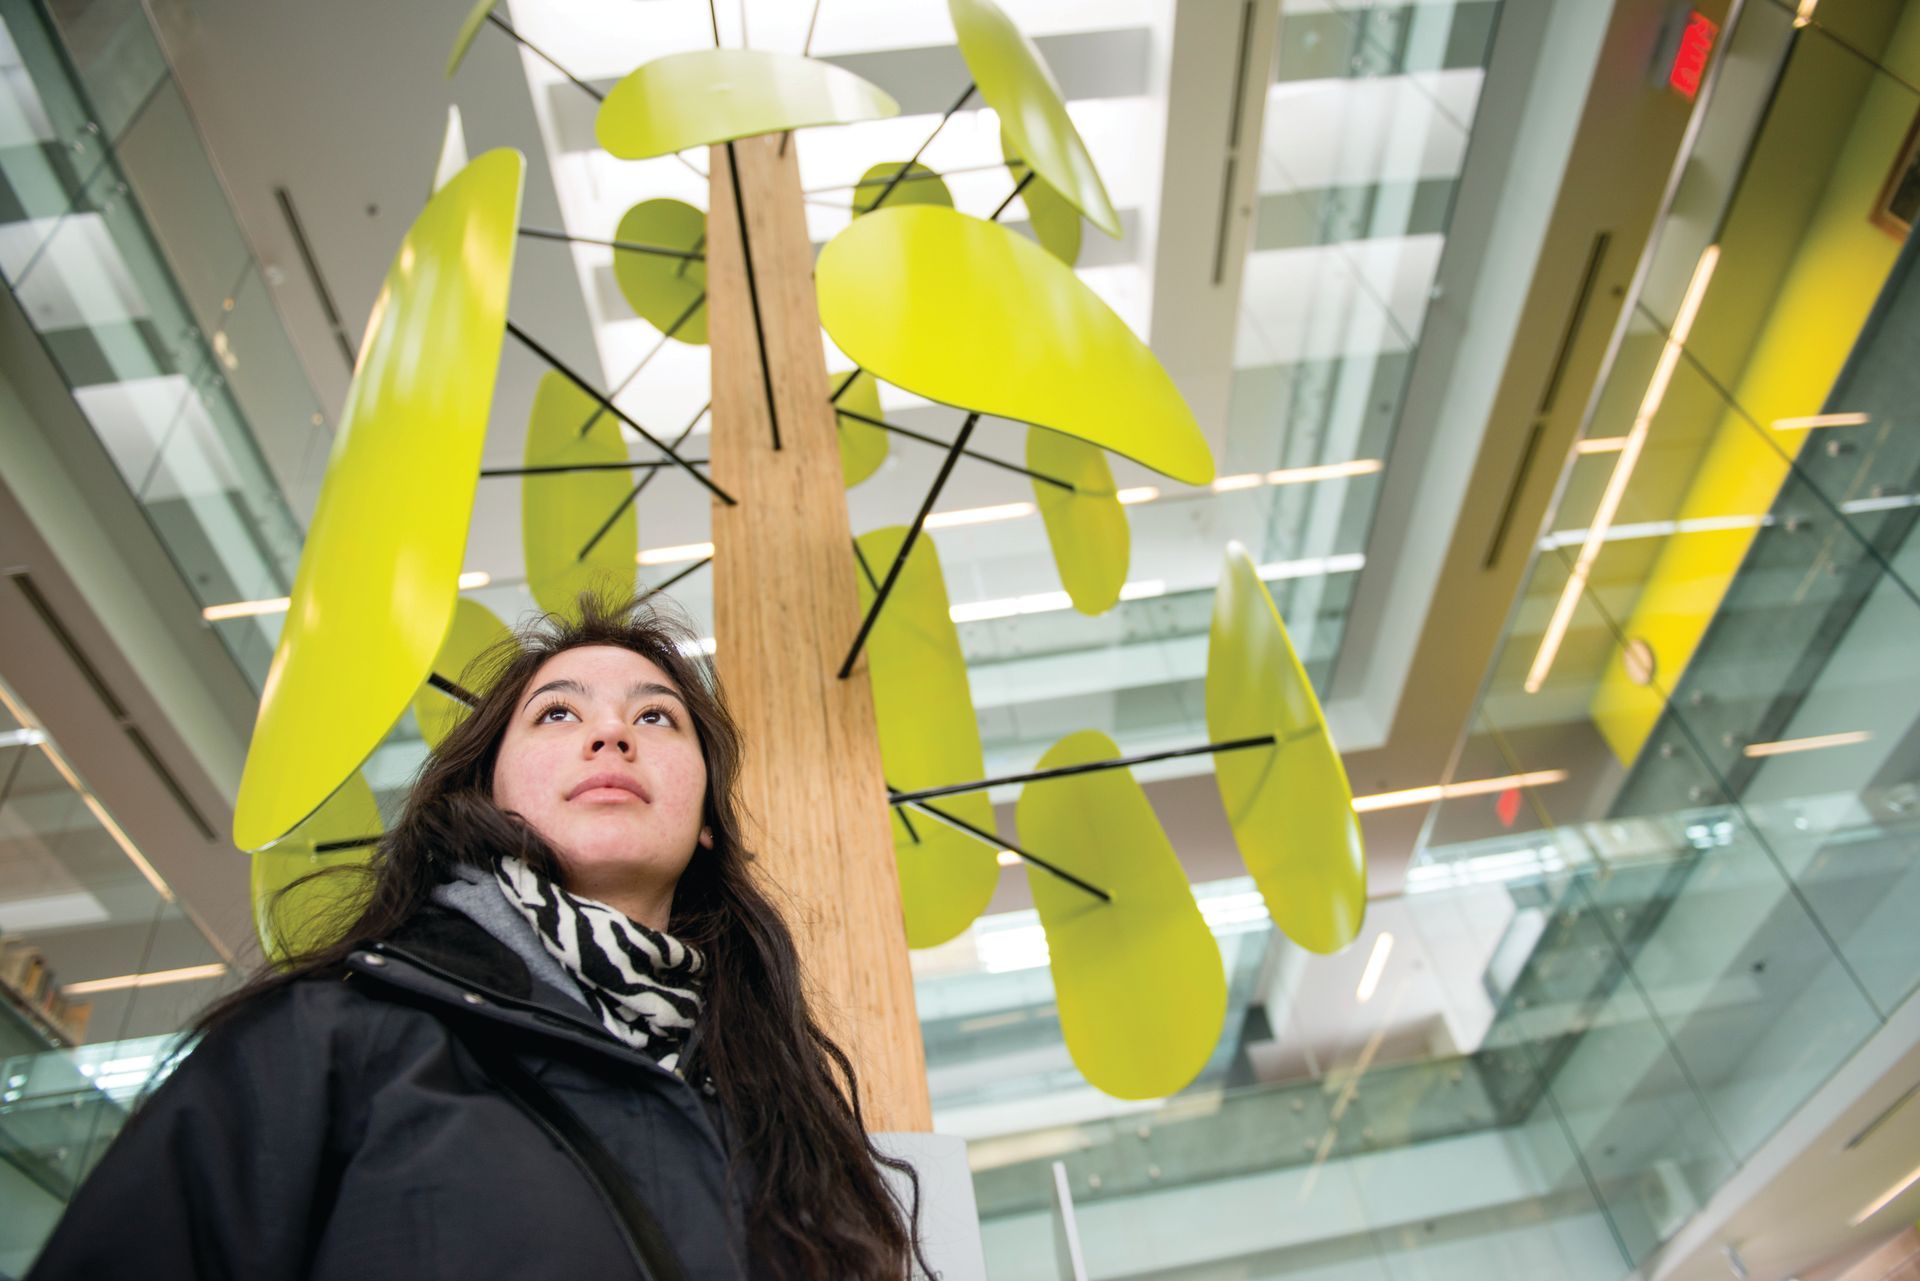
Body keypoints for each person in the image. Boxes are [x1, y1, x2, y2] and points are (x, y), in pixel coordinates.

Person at [28, 595, 929, 1280]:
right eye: (559, 714)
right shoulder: (328, 1039)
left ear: (705, 823)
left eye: (656, 716)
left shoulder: (785, 1120)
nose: (613, 731)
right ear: (491, 791)